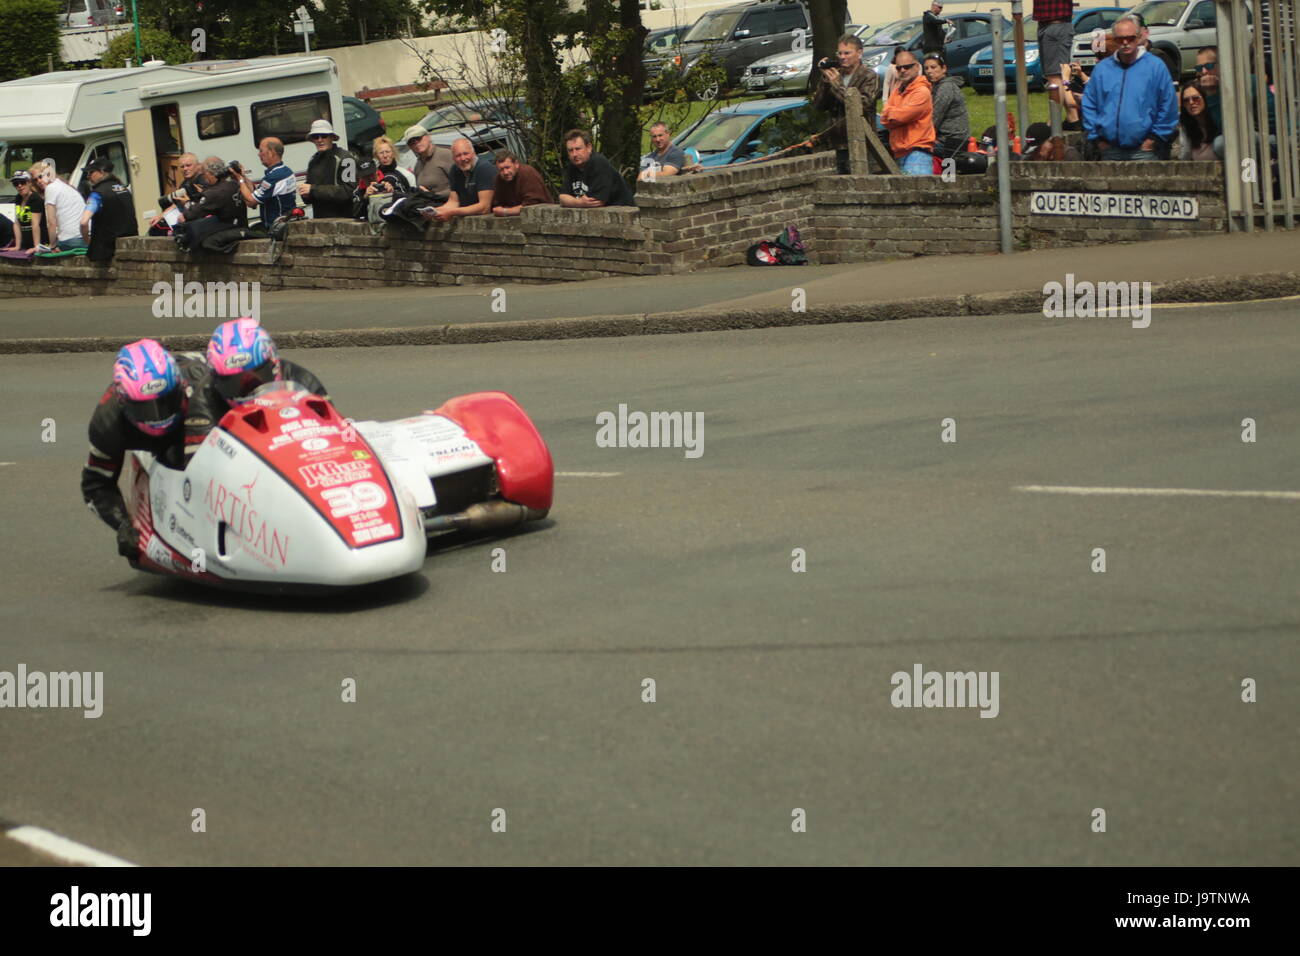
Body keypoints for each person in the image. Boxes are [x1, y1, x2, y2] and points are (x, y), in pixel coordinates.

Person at [82, 340, 207, 560]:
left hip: (192, 423)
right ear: (123, 401)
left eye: (165, 401)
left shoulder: (202, 387)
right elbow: (96, 484)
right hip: (161, 448)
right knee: (172, 456)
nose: (158, 416)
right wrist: (123, 524)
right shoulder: (107, 423)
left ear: (178, 386)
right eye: (144, 408)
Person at [187, 319, 328, 450]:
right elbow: (199, 464)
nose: (250, 393)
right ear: (216, 380)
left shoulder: (303, 380)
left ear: (274, 364)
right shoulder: (204, 400)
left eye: (255, 381)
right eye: (233, 384)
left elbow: (332, 429)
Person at [1081, 14, 1177, 162]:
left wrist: (1153, 139)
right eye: (1120, 39)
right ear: (1114, 40)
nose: (1125, 42)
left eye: (1130, 38)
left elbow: (1168, 105)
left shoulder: (1156, 66)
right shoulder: (1102, 69)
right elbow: (1089, 104)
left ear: (1138, 37)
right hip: (1108, 149)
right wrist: (1097, 139)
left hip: (1145, 151)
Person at [810, 33, 881, 173]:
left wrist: (837, 85)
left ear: (859, 53)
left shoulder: (869, 76)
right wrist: (825, 81)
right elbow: (819, 106)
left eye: (847, 53)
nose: (842, 57)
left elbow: (862, 105)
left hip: (861, 143)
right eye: (840, 53)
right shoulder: (836, 74)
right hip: (836, 143)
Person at [880, 49, 936, 175]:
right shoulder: (897, 91)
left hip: (918, 153)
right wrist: (894, 114)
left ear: (917, 67)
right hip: (900, 152)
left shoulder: (922, 91)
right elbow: (884, 118)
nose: (902, 71)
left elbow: (900, 117)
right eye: (899, 68)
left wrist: (892, 113)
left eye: (907, 67)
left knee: (917, 193)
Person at [174, 156, 246, 249]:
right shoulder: (233, 184)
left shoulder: (214, 192)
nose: (204, 177)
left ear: (210, 173)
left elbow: (191, 214)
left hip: (229, 229)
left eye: (204, 174)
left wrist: (187, 204)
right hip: (240, 226)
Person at [78, 158, 138, 263]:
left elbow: (83, 222)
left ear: (102, 171)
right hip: (130, 245)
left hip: (106, 251)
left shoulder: (97, 194)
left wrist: (88, 242)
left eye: (91, 172)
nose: (88, 177)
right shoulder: (123, 189)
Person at [558, 130, 635, 207]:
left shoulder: (598, 163)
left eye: (578, 149)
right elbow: (562, 198)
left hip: (622, 213)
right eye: (570, 150)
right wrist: (578, 202)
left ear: (589, 147)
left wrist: (573, 201)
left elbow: (596, 202)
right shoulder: (572, 166)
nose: (574, 154)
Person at [425, 138, 495, 222]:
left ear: (473, 153)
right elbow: (454, 202)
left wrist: (452, 212)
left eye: (466, 154)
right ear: (453, 158)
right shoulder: (455, 169)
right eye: (458, 156)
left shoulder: (484, 168)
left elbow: (484, 207)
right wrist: (436, 211)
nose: (462, 158)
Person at [299, 119, 357, 219]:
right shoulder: (313, 160)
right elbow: (310, 191)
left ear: (332, 137)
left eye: (324, 136)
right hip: (319, 220)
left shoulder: (347, 159)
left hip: (343, 220)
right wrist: (305, 195)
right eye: (315, 136)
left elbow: (348, 191)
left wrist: (312, 190)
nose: (320, 140)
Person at [233, 137, 297, 228]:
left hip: (275, 227)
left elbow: (251, 202)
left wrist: (239, 179)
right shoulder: (286, 171)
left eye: (261, 151)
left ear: (271, 153)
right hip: (285, 224)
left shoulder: (274, 177)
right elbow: (256, 193)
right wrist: (243, 176)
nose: (259, 154)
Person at [1033, 0, 1076, 122]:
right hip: (1046, 24)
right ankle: (1073, 117)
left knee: (1055, 76)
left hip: (1057, 24)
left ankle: (1053, 123)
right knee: (1054, 75)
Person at [29, 162, 86, 251]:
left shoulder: (50, 188)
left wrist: (52, 246)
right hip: (85, 238)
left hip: (70, 241)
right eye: (35, 180)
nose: (39, 181)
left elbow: (51, 223)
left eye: (40, 177)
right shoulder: (64, 185)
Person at [923, 52, 969, 159]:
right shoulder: (936, 86)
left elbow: (935, 117)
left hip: (952, 141)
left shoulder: (946, 87)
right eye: (926, 68)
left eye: (933, 67)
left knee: (913, 148)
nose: (929, 71)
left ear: (944, 69)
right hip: (944, 138)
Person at [148, 153, 203, 235]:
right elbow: (176, 204)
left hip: (199, 219)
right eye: (182, 166)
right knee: (155, 227)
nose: (185, 169)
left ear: (197, 166)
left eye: (188, 165)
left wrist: (187, 204)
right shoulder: (184, 184)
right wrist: (160, 216)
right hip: (186, 217)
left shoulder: (203, 180)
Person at [403, 124, 456, 204]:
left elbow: (462, 186)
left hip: (449, 205)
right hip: (429, 207)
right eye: (411, 142)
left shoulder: (446, 155)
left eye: (418, 138)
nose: (416, 143)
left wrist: (434, 195)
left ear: (428, 137)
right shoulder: (418, 165)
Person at [491, 151, 551, 216]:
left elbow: (532, 204)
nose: (505, 172)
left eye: (508, 167)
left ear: (516, 164)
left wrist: (506, 211)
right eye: (501, 169)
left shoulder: (527, 173)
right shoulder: (499, 179)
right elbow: (498, 204)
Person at [1174, 82, 1218, 160]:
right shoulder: (1185, 126)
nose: (1191, 102)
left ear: (1204, 98)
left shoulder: (1217, 120)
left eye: (1195, 98)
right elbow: (1185, 154)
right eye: (1186, 100)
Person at [1, 171, 40, 250]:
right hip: (25, 244)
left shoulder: (35, 198)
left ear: (29, 182)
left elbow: (35, 224)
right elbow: (17, 223)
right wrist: (17, 246)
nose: (19, 185)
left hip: (39, 242)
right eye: (16, 184)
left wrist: (36, 247)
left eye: (22, 182)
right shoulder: (18, 198)